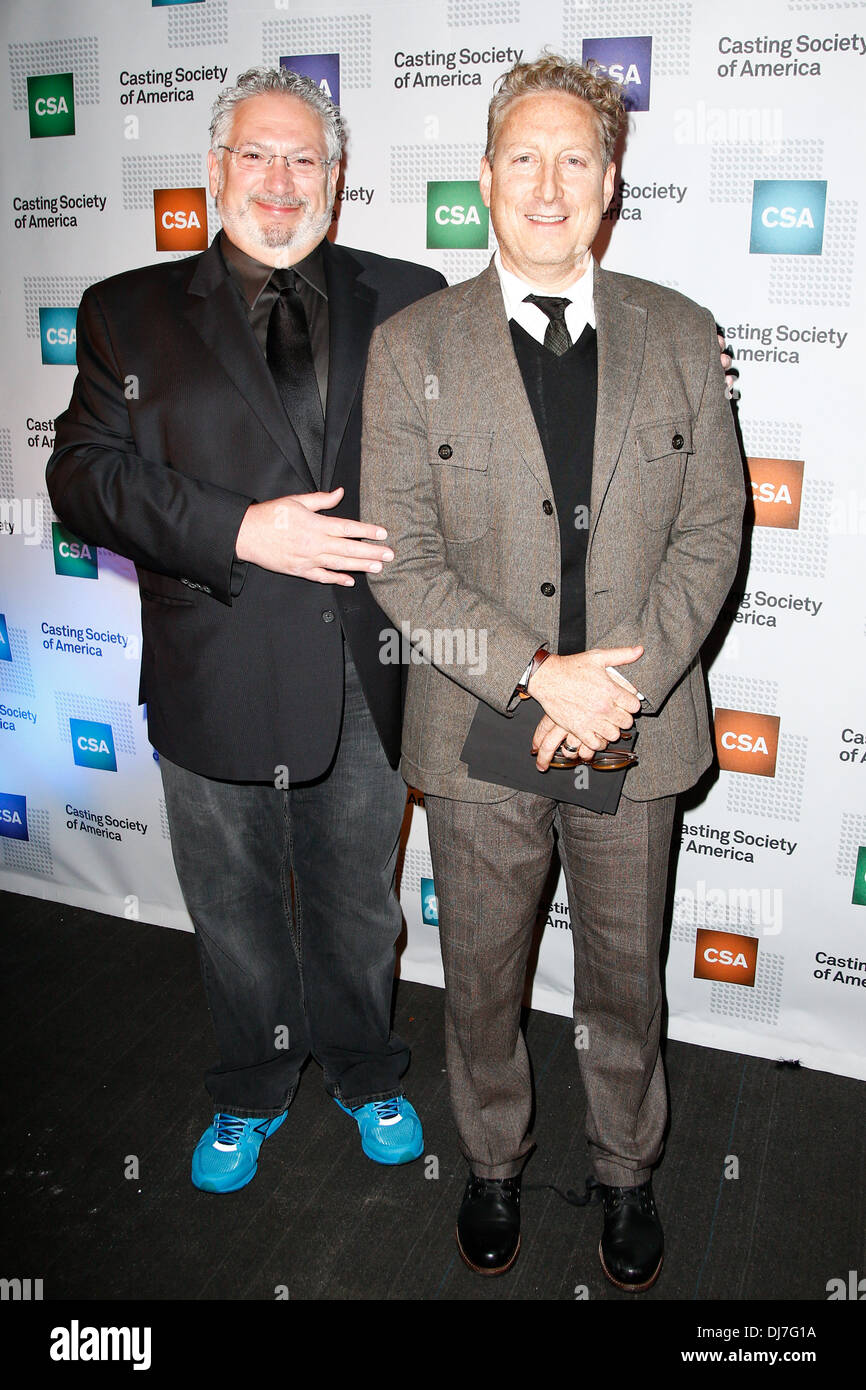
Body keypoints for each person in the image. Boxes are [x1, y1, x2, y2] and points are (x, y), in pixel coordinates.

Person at [361, 55, 745, 1288]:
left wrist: (612, 687)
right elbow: (402, 560)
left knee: (624, 983)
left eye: (574, 158)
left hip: (632, 728)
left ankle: (627, 1174)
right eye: (521, 155)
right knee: (479, 980)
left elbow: (714, 528)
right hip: (481, 732)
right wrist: (540, 676)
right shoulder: (406, 346)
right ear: (483, 177)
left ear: (610, 182)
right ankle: (490, 1162)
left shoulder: (680, 331)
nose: (546, 182)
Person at [46, 67, 445, 1194]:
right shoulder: (125, 310)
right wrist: (240, 530)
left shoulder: (411, 296)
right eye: (256, 157)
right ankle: (251, 1089)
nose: (279, 183)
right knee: (230, 913)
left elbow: (504, 415)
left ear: (338, 176)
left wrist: (668, 376)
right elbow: (79, 476)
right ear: (215, 170)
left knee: (360, 907)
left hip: (365, 676)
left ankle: (368, 1072)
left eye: (303, 159)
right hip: (209, 665)